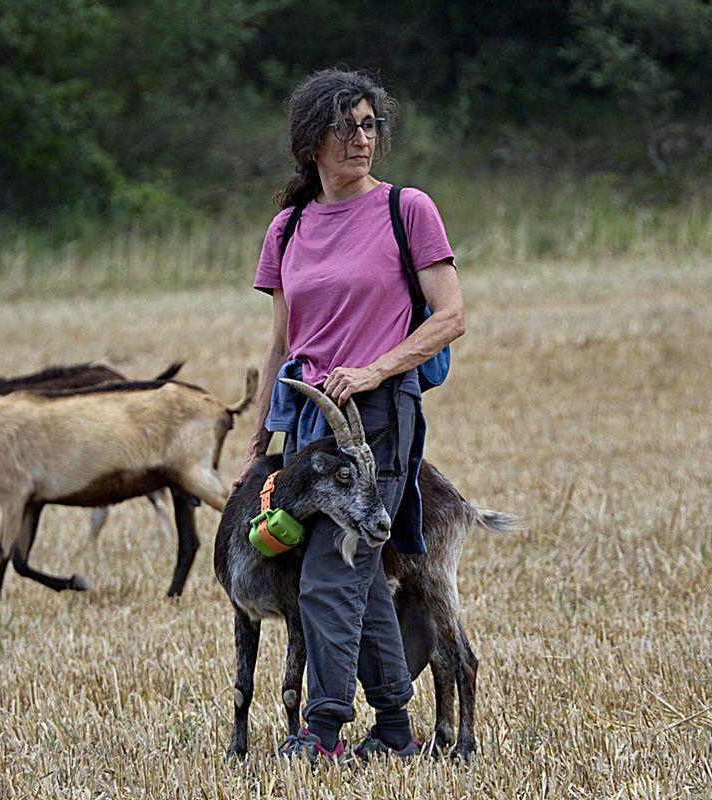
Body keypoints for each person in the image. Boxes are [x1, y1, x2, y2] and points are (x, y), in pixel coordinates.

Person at [233, 68, 465, 763]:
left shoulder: (407, 209)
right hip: (307, 422)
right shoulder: (290, 226)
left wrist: (375, 368)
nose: (361, 139)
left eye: (371, 125)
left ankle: (323, 730)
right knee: (353, 570)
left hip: (377, 419)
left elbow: (451, 316)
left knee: (332, 567)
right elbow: (281, 342)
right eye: (346, 127)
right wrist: (259, 441)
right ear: (311, 143)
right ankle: (394, 730)